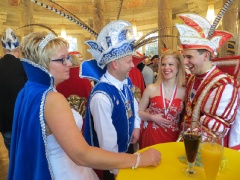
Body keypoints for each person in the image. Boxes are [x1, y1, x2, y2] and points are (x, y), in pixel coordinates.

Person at [8, 32, 161, 179]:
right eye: (62, 59)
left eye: (68, 57)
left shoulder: (29, 89)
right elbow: (82, 154)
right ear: (44, 64)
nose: (69, 63)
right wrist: (138, 159)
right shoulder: (53, 99)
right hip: (62, 171)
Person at [81, 20, 143, 179]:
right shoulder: (101, 96)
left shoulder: (125, 81)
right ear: (115, 64)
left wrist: (135, 126)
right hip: (112, 164)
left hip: (126, 152)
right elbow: (107, 142)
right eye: (128, 61)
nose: (132, 65)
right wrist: (117, 172)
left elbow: (133, 105)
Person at [175, 13, 240, 147]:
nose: (185, 62)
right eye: (184, 57)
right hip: (188, 142)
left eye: (189, 57)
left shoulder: (225, 85)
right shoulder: (192, 78)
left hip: (208, 149)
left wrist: (181, 145)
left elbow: (214, 130)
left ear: (206, 55)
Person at [138, 50, 186, 149]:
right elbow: (138, 112)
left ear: (178, 68)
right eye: (163, 64)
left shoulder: (184, 92)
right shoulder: (151, 88)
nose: (166, 68)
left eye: (171, 64)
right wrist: (152, 117)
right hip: (152, 136)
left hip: (173, 137)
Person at [0, 27, 27, 157]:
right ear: (18, 49)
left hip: (5, 123)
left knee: (13, 155)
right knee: (25, 156)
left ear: (3, 49)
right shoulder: (24, 66)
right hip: (23, 120)